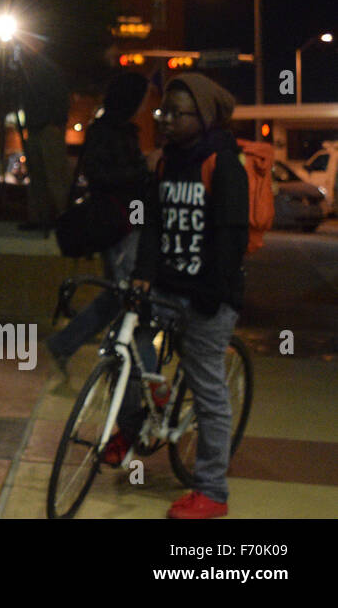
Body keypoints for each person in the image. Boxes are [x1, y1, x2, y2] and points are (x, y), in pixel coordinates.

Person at [129, 74, 248, 519]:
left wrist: (209, 295)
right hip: (168, 286)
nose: (168, 121)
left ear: (204, 117)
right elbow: (153, 225)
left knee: (208, 391)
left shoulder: (222, 163)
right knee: (130, 347)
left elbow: (230, 238)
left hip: (209, 297)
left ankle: (213, 491)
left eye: (179, 114)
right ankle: (134, 421)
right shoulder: (165, 163)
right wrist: (143, 275)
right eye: (165, 113)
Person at [47, 72, 152, 371]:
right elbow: (99, 176)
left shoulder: (120, 130)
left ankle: (70, 344)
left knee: (121, 294)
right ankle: (113, 357)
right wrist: (143, 172)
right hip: (116, 223)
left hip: (125, 220)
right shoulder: (108, 131)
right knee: (127, 294)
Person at [14, 34, 71, 231]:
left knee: (53, 175)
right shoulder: (31, 68)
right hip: (38, 126)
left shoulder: (46, 69)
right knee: (39, 175)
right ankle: (41, 217)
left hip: (46, 126)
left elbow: (59, 97)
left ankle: (61, 217)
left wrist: (57, 122)